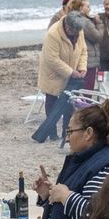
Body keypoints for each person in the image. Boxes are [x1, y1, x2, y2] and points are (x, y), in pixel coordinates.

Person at [30, 11, 87, 145]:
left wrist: (82, 67)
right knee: (51, 102)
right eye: (73, 30)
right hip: (53, 74)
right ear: (67, 25)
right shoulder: (53, 34)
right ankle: (51, 133)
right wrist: (70, 71)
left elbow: (83, 50)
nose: (75, 33)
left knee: (70, 103)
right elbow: (52, 59)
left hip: (72, 72)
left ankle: (66, 133)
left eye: (77, 31)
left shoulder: (79, 31)